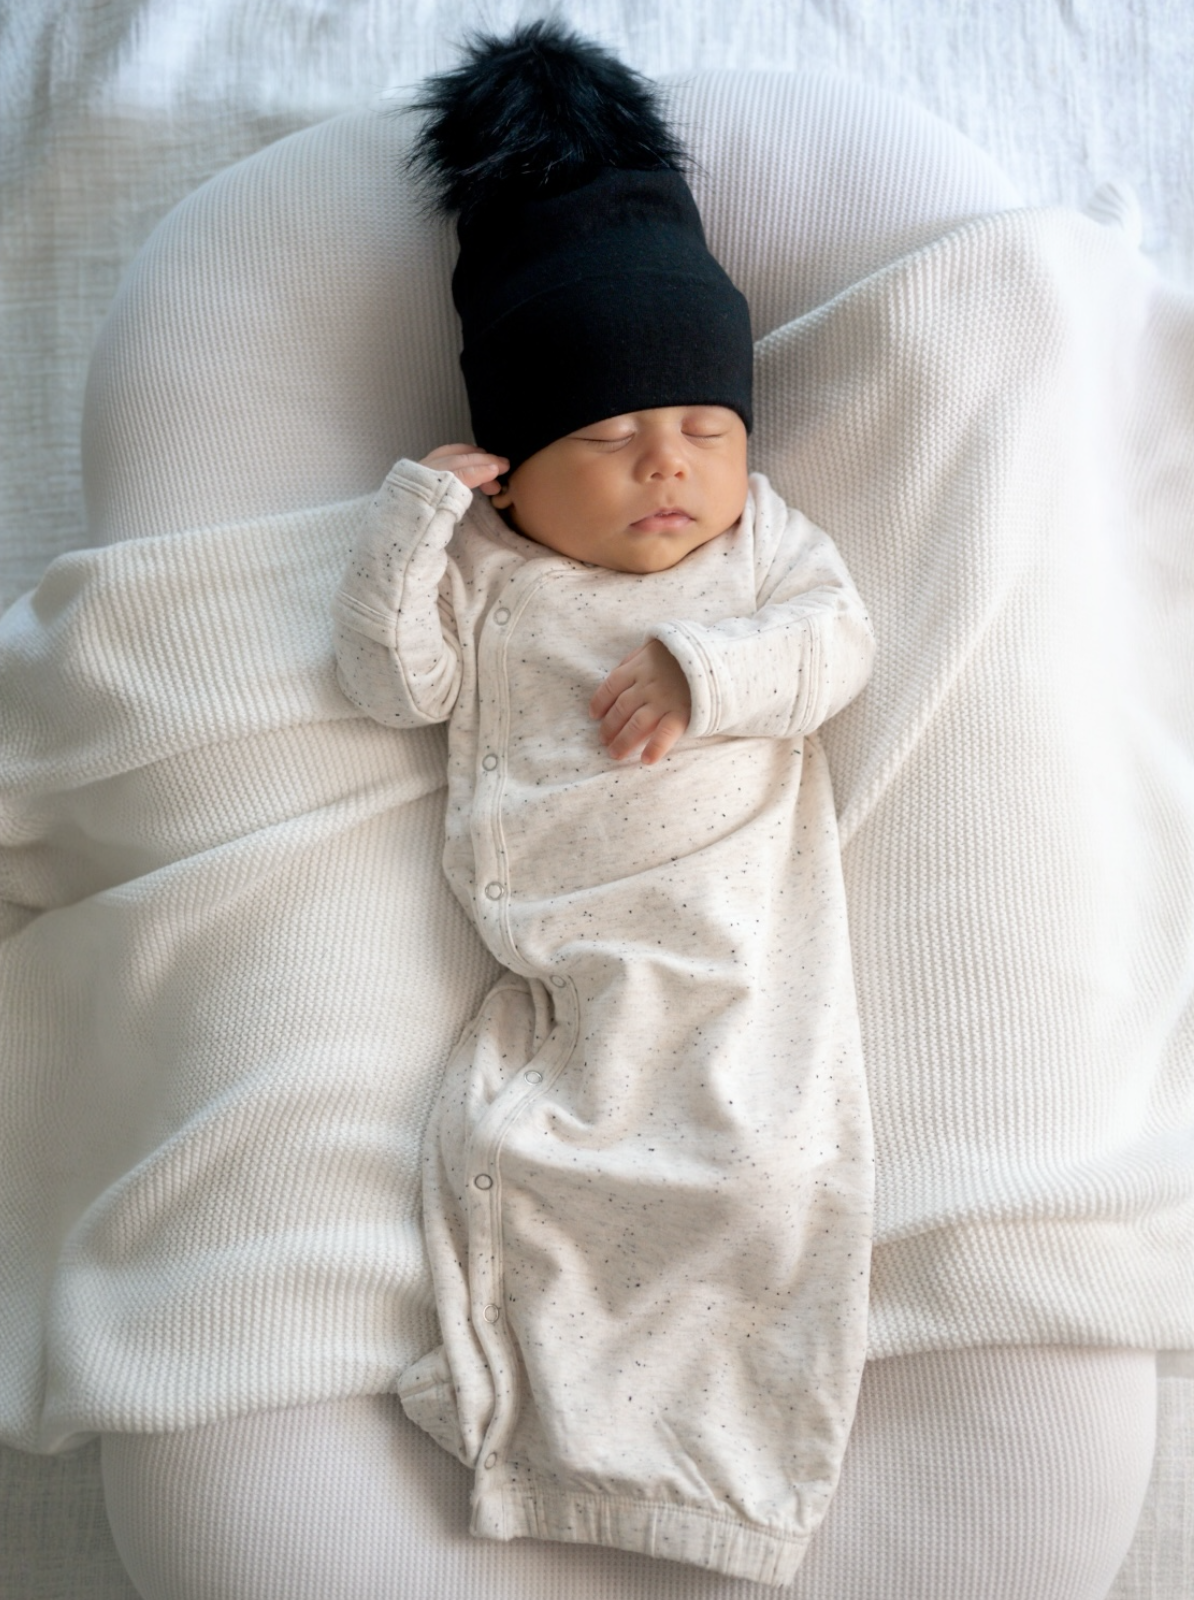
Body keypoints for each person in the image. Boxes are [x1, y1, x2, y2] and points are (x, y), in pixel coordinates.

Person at [331, 24, 874, 1588]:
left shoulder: (756, 550)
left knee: (770, 1174)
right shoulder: (487, 572)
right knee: (537, 1162)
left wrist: (711, 672)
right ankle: (521, 1403)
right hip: (561, 963)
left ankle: (720, 1467)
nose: (669, 468)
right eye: (616, 438)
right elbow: (393, 684)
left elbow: (836, 644)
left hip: (738, 948)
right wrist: (413, 521)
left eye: (704, 429)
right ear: (512, 472)